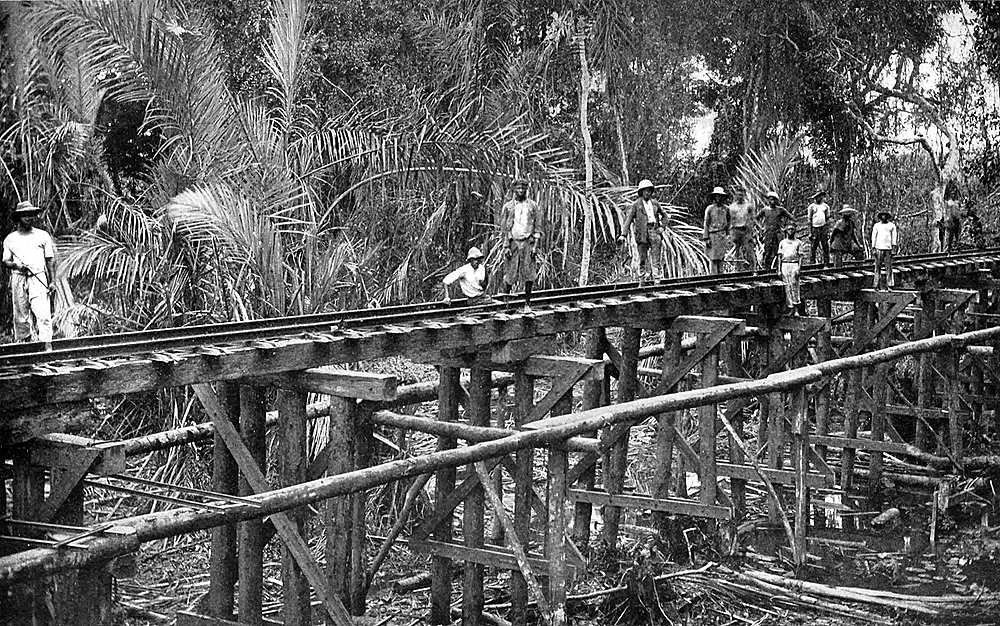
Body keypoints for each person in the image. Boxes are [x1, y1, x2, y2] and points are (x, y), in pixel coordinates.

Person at [3, 200, 56, 348]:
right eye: (25, 215)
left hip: (38, 277)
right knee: (21, 315)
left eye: (31, 214)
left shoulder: (42, 235)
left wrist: (52, 281)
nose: (28, 218)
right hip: (19, 277)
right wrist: (17, 265)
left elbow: (50, 259)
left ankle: (47, 348)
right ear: (18, 217)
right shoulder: (10, 239)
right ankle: (25, 348)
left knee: (43, 314)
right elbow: (6, 261)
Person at [500, 178, 543, 311]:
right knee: (510, 273)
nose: (521, 191)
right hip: (513, 243)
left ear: (526, 190)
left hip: (528, 243)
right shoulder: (508, 207)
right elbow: (504, 229)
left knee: (529, 274)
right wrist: (506, 246)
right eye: (518, 188)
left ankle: (527, 304)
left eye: (523, 188)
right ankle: (505, 305)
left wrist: (535, 246)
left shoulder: (533, 206)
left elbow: (537, 227)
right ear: (514, 190)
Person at [619, 179, 667, 281]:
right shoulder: (636, 205)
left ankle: (657, 279)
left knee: (656, 257)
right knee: (642, 258)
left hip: (654, 231)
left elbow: (665, 216)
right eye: (645, 191)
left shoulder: (655, 203)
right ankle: (642, 279)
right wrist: (623, 234)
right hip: (642, 234)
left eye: (649, 191)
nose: (647, 193)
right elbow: (628, 220)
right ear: (641, 192)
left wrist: (662, 227)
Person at [757, 191, 794, 270]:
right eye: (770, 199)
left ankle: (779, 268)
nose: (772, 201)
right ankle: (767, 270)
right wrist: (761, 228)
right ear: (768, 200)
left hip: (778, 233)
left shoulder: (780, 210)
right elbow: (756, 218)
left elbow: (791, 217)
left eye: (774, 199)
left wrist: (786, 228)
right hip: (768, 233)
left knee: (779, 251)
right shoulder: (765, 210)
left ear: (776, 200)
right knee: (768, 251)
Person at [776, 223, 805, 315]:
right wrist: (779, 270)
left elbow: (801, 257)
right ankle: (790, 307)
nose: (790, 231)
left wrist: (799, 268)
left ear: (795, 231)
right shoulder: (782, 242)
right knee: (787, 287)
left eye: (792, 229)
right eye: (789, 229)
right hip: (785, 265)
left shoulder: (798, 242)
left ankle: (796, 309)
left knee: (795, 286)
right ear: (786, 231)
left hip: (794, 264)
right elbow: (779, 257)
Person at [702, 186, 731, 274]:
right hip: (713, 236)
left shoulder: (726, 209)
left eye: (721, 196)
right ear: (714, 197)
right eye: (717, 196)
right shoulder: (710, 209)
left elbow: (729, 222)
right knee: (713, 259)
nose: (719, 198)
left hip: (722, 236)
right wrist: (706, 238)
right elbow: (706, 223)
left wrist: (728, 235)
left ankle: (721, 278)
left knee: (721, 258)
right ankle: (714, 277)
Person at [728, 186, 756, 270]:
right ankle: (739, 269)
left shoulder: (748, 206)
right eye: (738, 195)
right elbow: (730, 220)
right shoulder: (732, 207)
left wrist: (750, 231)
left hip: (745, 230)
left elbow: (752, 218)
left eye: (741, 194)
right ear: (735, 195)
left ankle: (753, 269)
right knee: (737, 251)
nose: (740, 196)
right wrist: (731, 233)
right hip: (736, 230)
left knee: (749, 250)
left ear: (744, 195)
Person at [871, 211, 898, 291]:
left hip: (888, 249)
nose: (884, 217)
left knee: (889, 268)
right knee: (877, 267)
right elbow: (873, 236)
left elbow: (894, 237)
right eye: (882, 215)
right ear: (880, 216)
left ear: (887, 216)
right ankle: (876, 285)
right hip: (878, 248)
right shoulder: (876, 225)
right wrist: (873, 247)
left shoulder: (891, 225)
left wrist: (894, 247)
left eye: (885, 215)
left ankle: (890, 285)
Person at [807, 189, 831, 265]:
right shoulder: (811, 207)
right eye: (817, 196)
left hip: (823, 228)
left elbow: (827, 219)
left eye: (820, 196)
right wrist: (810, 232)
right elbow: (809, 220)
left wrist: (828, 231)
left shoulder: (825, 206)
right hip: (815, 228)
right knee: (813, 246)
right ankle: (812, 263)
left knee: (825, 246)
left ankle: (826, 263)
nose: (819, 198)